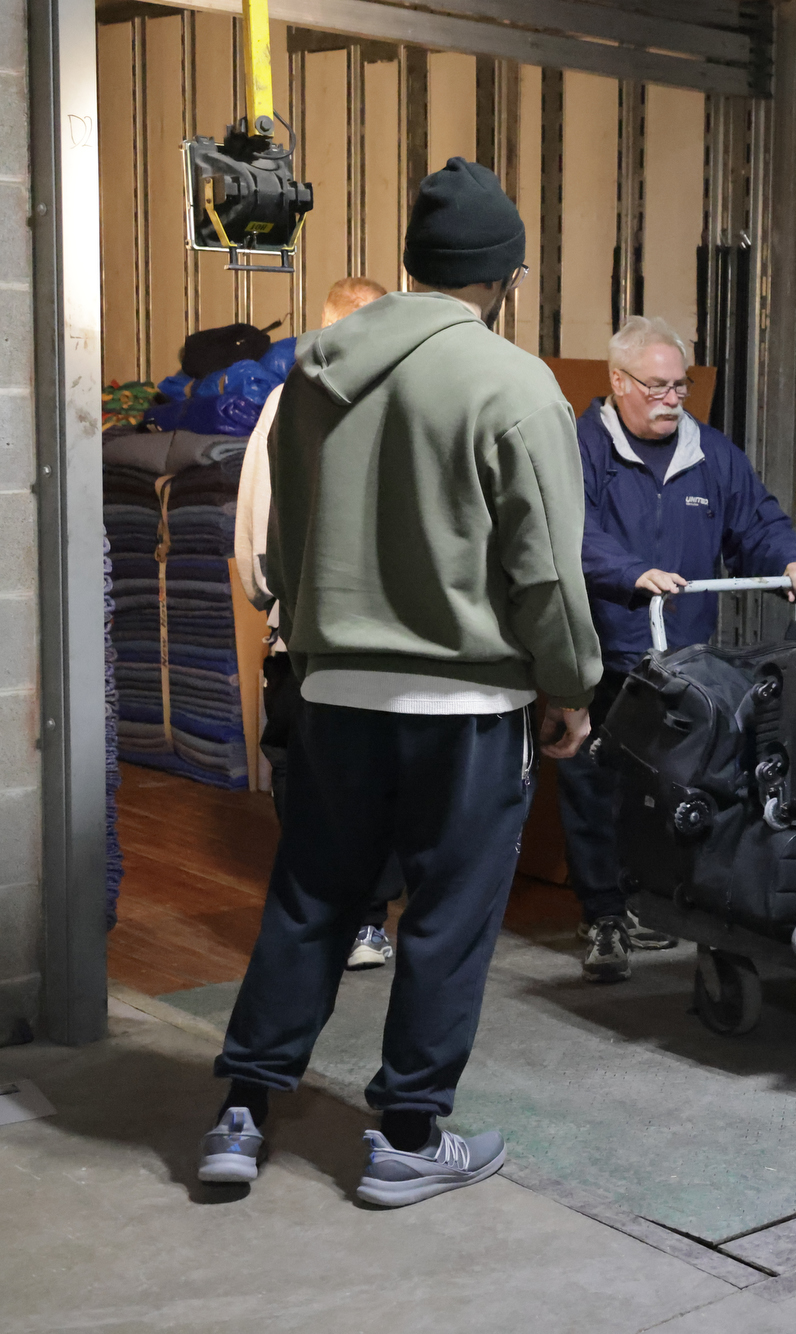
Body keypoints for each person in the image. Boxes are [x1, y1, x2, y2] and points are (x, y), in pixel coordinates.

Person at [198, 158, 600, 1207]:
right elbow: (545, 569)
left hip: (333, 691)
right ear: (504, 276)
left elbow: (286, 537)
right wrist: (569, 684)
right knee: (446, 918)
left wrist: (313, 643)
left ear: (416, 262)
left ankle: (241, 1114)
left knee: (311, 900)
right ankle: (408, 1136)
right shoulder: (515, 386)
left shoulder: (312, 373)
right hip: (465, 706)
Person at [562, 315, 796, 983]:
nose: (673, 399)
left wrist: (789, 561)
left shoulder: (711, 453)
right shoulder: (581, 449)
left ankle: (657, 901)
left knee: (674, 785)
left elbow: (756, 521)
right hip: (604, 652)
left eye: (679, 386)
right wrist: (630, 574)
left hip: (681, 662)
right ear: (618, 381)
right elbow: (571, 533)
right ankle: (604, 914)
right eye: (657, 386)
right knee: (597, 787)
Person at [234, 276, 404, 972]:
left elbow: (256, 521)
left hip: (302, 632)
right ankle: (363, 921)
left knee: (306, 776)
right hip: (380, 637)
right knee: (374, 779)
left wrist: (268, 602)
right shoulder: (406, 400)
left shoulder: (286, 402)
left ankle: (324, 918)